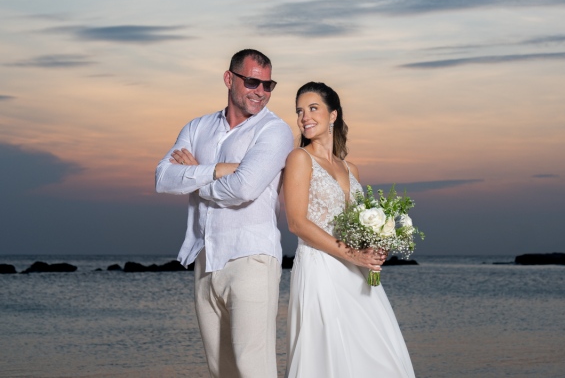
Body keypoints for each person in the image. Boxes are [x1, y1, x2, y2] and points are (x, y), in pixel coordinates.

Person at [155, 49, 293, 378]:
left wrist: (196, 177)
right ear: (229, 79)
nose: (260, 91)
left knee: (254, 368)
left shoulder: (275, 132)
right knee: (222, 371)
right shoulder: (197, 127)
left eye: (268, 84)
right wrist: (219, 169)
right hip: (206, 258)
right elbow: (163, 178)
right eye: (252, 82)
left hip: (253, 258)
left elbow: (243, 189)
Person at [283, 81, 416, 378]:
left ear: (333, 115)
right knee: (328, 355)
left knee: (380, 356)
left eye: (313, 108)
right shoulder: (299, 159)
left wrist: (376, 245)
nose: (305, 116)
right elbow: (297, 223)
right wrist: (354, 254)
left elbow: (359, 222)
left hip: (358, 274)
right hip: (320, 269)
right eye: (299, 111)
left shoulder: (350, 169)